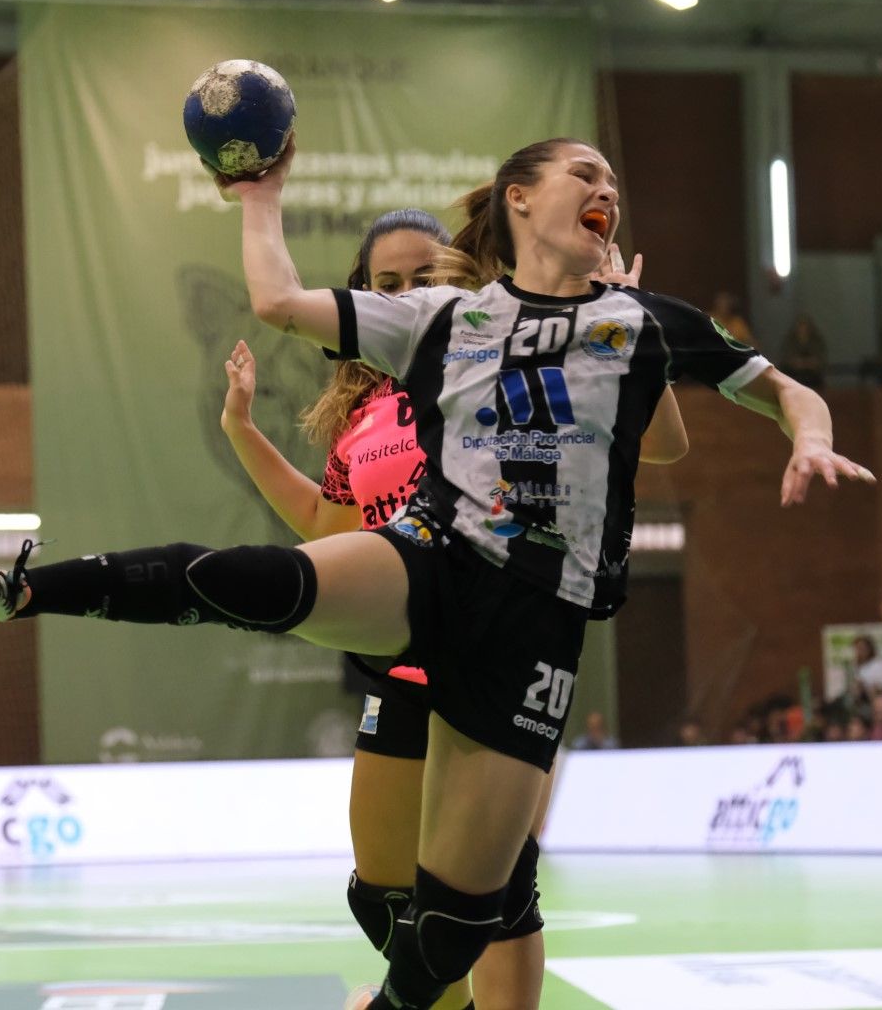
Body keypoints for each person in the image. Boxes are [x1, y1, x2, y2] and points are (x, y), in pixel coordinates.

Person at [0, 136, 870, 1010]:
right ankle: (8, 588)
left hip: (537, 626)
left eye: (612, 181)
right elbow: (280, 305)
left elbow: (784, 389)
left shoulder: (645, 323)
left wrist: (812, 439)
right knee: (259, 582)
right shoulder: (446, 317)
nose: (605, 187)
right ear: (519, 200)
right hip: (434, 558)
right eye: (581, 173)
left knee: (458, 924)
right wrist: (260, 199)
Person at [218, 209, 686, 1010]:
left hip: (492, 650)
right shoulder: (363, 418)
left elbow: (659, 440)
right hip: (401, 661)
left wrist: (614, 318)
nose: (405, 293)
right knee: (383, 899)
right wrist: (242, 431)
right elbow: (331, 530)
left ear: (457, 284)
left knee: (500, 894)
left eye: (423, 278)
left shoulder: (509, 359)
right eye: (386, 284)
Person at [779, 314, 828, 390]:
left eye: (805, 326)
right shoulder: (790, 341)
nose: (803, 329)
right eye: (800, 326)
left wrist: (804, 363)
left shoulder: (816, 341)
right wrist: (800, 363)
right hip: (794, 375)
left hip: (812, 376)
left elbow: (818, 361)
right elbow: (788, 360)